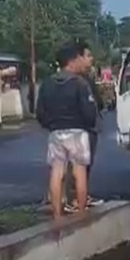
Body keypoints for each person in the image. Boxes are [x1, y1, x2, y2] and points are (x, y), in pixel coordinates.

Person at [36, 41, 97, 219]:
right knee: (80, 173)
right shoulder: (80, 83)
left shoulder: (47, 83)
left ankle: (57, 215)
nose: (81, 61)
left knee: (56, 172)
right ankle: (81, 213)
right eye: (79, 58)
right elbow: (89, 112)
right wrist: (87, 124)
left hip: (56, 132)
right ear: (71, 61)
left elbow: (40, 111)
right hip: (78, 131)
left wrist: (51, 125)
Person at [63, 65, 105, 212]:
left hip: (90, 127)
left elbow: (96, 100)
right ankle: (72, 199)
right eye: (87, 56)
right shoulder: (74, 81)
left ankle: (82, 196)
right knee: (76, 166)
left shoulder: (86, 79)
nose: (90, 62)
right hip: (81, 127)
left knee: (85, 164)